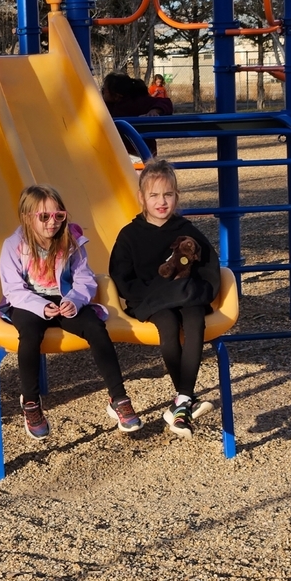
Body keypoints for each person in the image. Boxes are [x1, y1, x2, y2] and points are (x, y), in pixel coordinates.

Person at [0, 184, 143, 440]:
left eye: (58, 215)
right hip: (28, 302)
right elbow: (12, 289)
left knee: (96, 329)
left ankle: (118, 398)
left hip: (64, 298)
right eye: (44, 217)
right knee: (30, 334)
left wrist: (74, 301)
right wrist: (40, 306)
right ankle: (31, 402)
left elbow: (85, 279)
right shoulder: (14, 245)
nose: (52, 223)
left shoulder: (71, 241)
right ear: (27, 217)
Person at [109, 158, 221, 439]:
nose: (162, 201)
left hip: (187, 295)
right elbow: (121, 275)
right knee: (169, 326)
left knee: (195, 321)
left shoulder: (186, 230)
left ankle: (182, 400)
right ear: (142, 198)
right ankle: (184, 402)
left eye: (168, 195)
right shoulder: (130, 235)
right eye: (154, 195)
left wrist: (205, 291)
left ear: (176, 197)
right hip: (151, 301)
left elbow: (209, 266)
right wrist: (146, 297)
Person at [101, 72, 174, 157]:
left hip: (139, 153)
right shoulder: (107, 105)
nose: (102, 94)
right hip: (135, 151)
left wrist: (155, 110)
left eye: (103, 91)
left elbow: (165, 102)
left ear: (117, 95)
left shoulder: (138, 102)